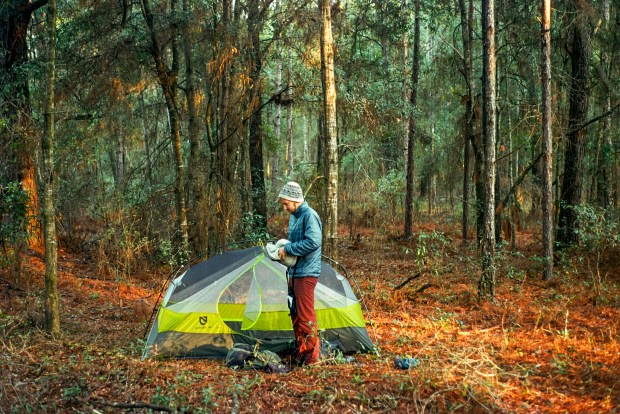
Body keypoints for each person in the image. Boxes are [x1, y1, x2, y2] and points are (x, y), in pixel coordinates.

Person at [277, 181, 323, 365]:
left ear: (294, 200)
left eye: (285, 203)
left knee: (305, 315)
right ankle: (301, 351)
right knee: (295, 312)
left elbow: (313, 242)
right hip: (295, 272)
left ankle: (311, 358)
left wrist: (289, 248)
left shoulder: (309, 216)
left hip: (307, 273)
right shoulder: (295, 216)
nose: (284, 207)